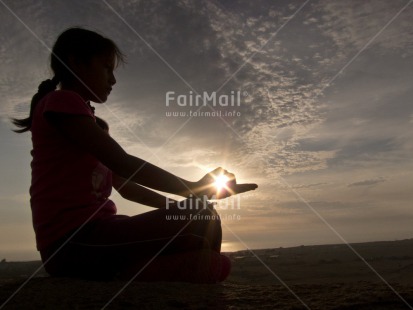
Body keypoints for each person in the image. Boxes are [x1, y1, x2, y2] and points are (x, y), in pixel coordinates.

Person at [12, 27, 257, 283]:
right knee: (203, 220)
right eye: (107, 67)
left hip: (93, 237)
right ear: (75, 61)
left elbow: (128, 188)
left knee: (200, 217)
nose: (113, 80)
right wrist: (193, 188)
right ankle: (157, 278)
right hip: (74, 242)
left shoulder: (88, 122)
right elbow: (124, 163)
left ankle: (136, 274)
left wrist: (179, 206)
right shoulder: (62, 102)